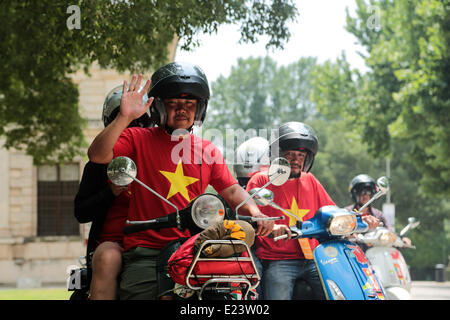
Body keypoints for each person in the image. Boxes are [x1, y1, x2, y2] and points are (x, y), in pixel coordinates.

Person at [87, 62, 275, 300]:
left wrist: (255, 211)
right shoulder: (137, 138)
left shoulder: (207, 150)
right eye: (173, 104)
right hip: (146, 250)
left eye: (189, 105)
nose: (182, 110)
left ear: (200, 110)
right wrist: (124, 117)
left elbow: (233, 190)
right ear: (159, 108)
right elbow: (97, 155)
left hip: (194, 249)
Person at [246, 122, 380, 300]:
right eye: (290, 154)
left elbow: (334, 212)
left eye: (301, 155)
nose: (296, 159)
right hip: (279, 259)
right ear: (278, 155)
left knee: (345, 287)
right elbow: (249, 218)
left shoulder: (310, 180)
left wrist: (363, 219)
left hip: (315, 257)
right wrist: (273, 227)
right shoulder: (262, 180)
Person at [74, 85, 152, 300]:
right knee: (108, 258)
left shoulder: (157, 158)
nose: (132, 129)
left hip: (153, 241)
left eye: (139, 122)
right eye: (124, 121)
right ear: (111, 123)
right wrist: (110, 192)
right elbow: (81, 212)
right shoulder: (98, 164)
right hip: (112, 244)